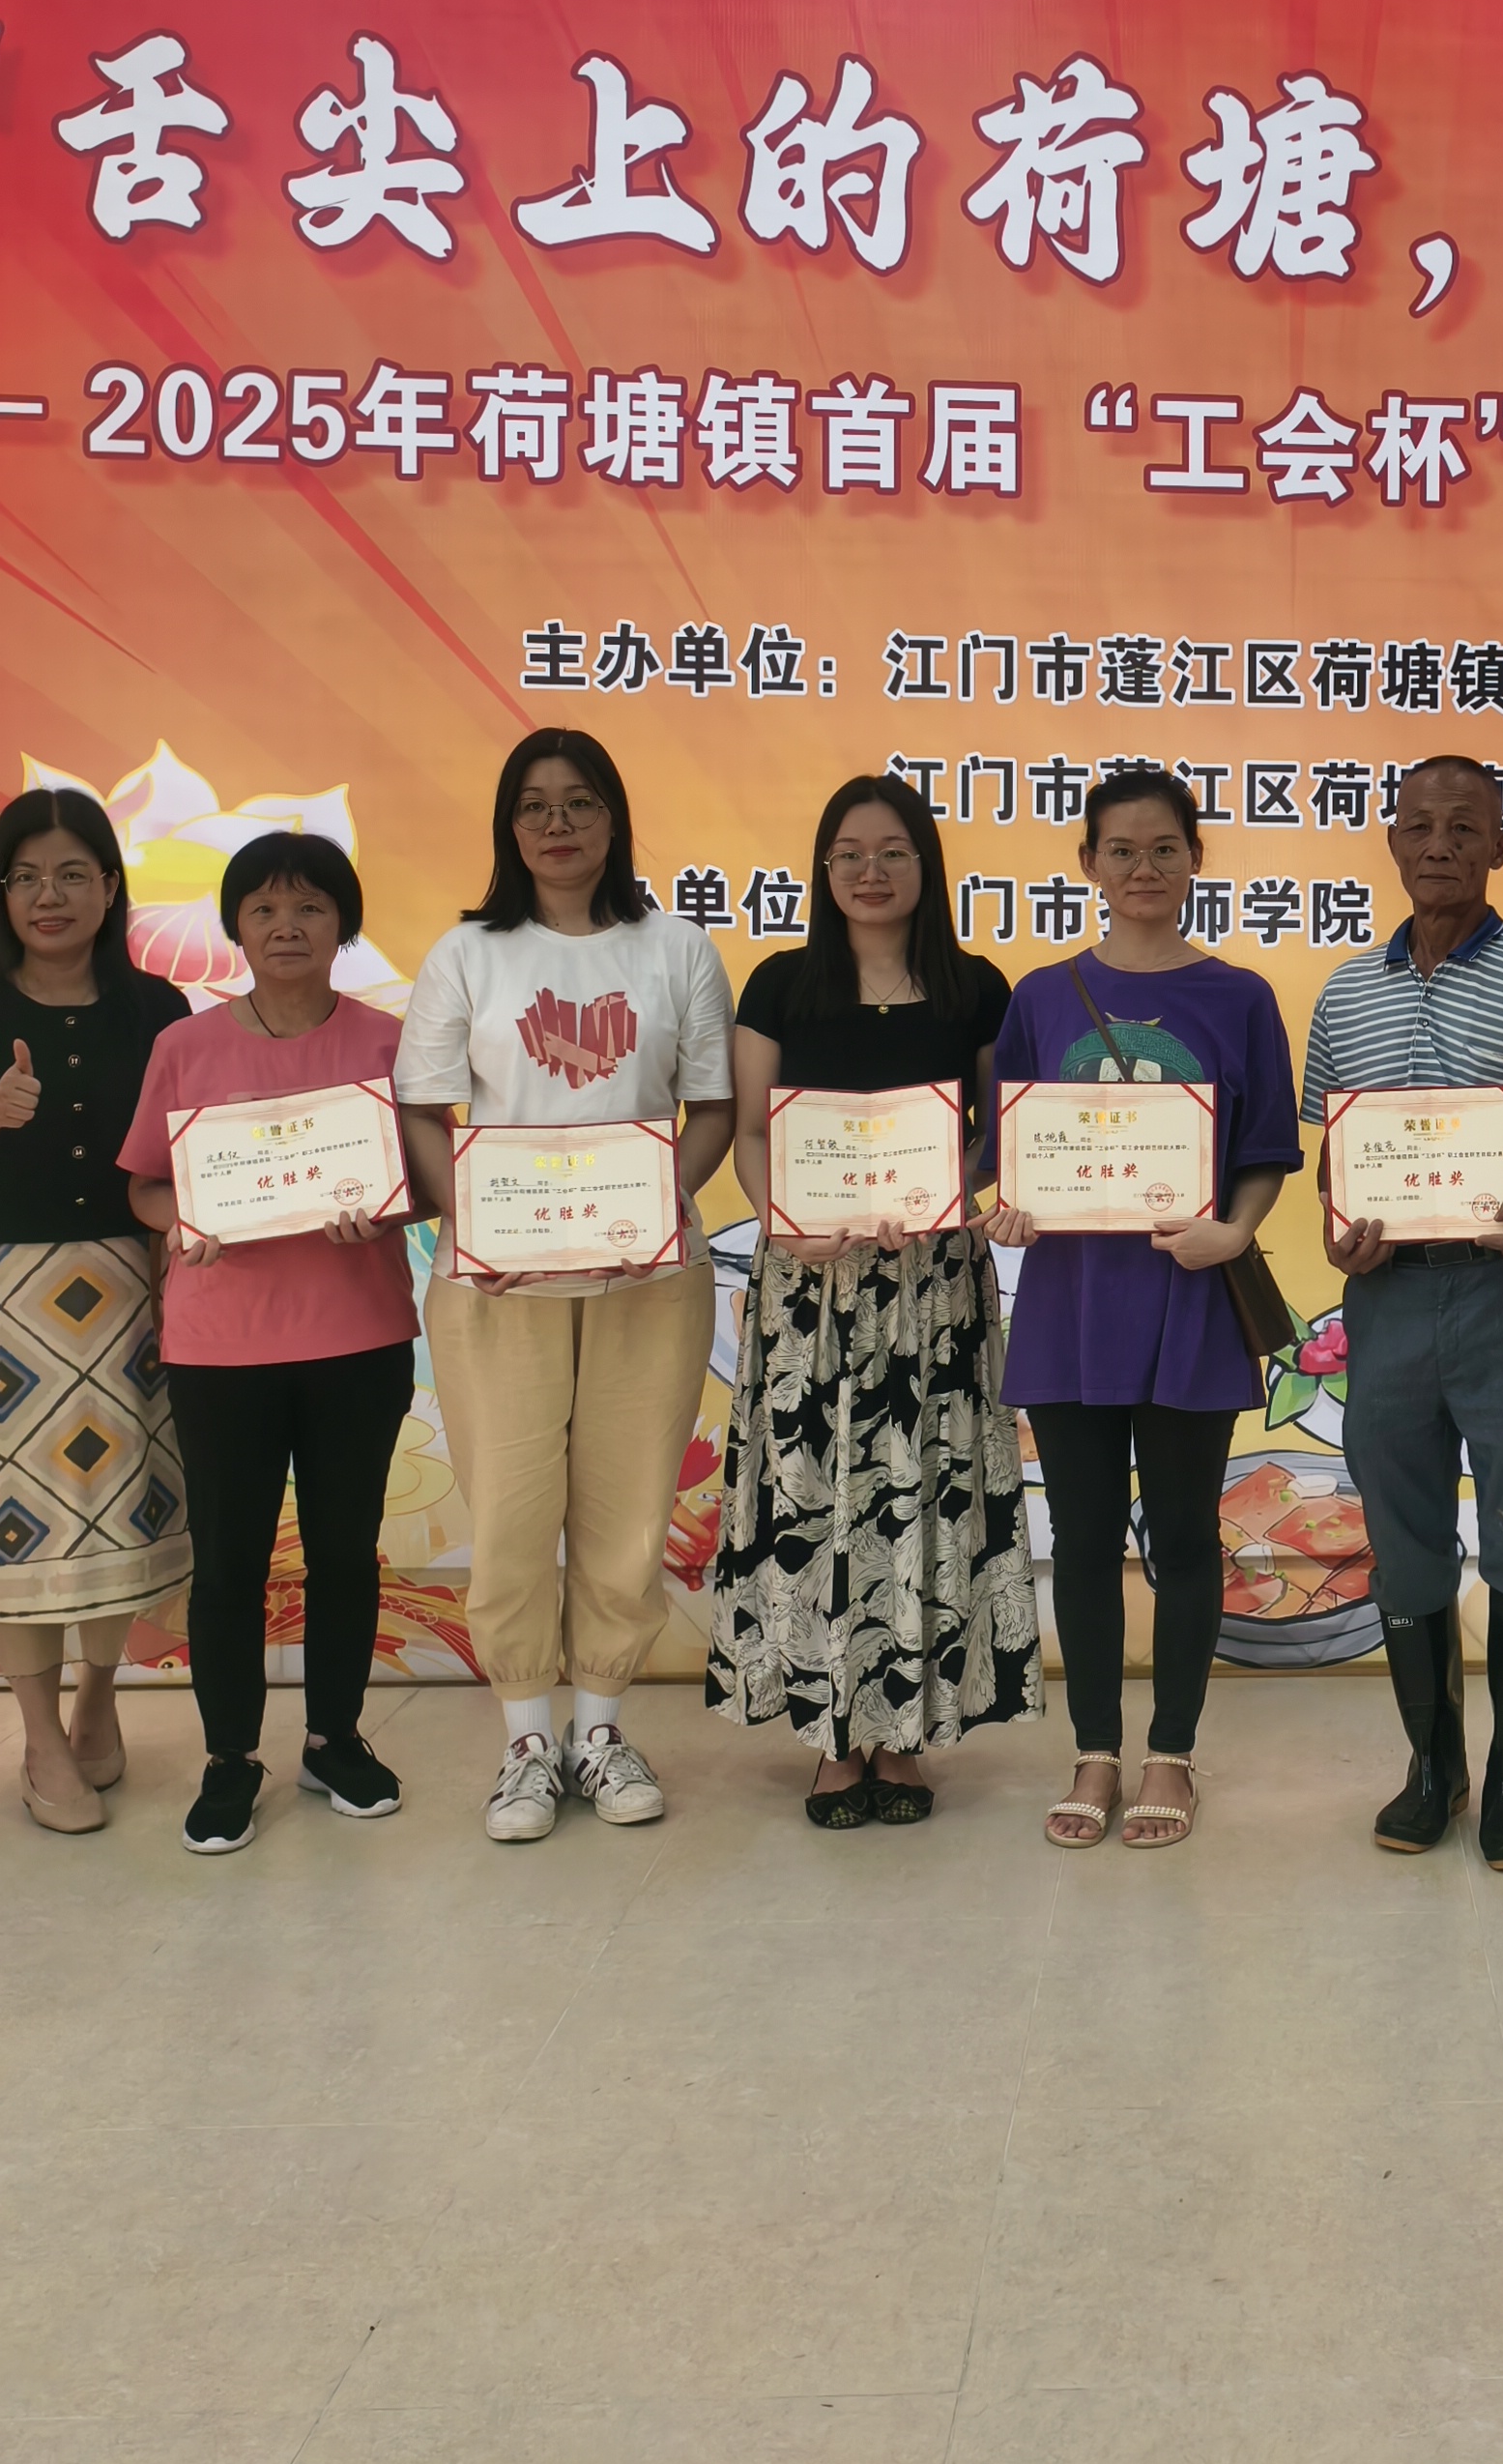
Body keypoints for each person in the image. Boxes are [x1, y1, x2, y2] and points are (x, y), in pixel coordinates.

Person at [396, 731, 734, 1844]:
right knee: (510, 1511)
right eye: (534, 805)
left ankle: (600, 1729)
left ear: (613, 819)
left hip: (650, 1277)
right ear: (508, 825)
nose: (557, 824)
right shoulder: (467, 954)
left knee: (629, 1510)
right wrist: (475, 1219)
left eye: (580, 803)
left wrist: (656, 1206)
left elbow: (713, 1107)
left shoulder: (676, 948)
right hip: (499, 1285)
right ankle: (525, 1744)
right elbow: (422, 1108)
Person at [1304, 756, 1503, 1870]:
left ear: (1500, 845)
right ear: (1391, 839)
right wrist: (1337, 1226)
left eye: (1464, 827)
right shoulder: (1345, 992)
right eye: (1420, 825)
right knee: (1404, 1537)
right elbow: (1339, 1145)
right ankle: (1434, 1768)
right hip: (1388, 1297)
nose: (1440, 844)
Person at [989, 768, 1298, 1851]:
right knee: (1079, 1538)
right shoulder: (1040, 997)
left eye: (1165, 848)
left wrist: (1236, 1231)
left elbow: (1265, 1150)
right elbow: (1012, 1148)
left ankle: (1171, 1752)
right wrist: (1010, 1209)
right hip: (1071, 1301)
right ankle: (1094, 1751)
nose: (1143, 868)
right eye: (1120, 850)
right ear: (1088, 865)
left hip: (1188, 1299)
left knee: (1183, 1536)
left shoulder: (1240, 997)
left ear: (1195, 859)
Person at [714, 773, 1030, 1828]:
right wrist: (784, 1221)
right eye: (848, 853)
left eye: (893, 851)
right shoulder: (780, 985)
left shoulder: (974, 987)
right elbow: (751, 1130)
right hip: (811, 1287)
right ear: (823, 869)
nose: (870, 871)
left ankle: (906, 1737)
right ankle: (833, 1738)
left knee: (924, 1494)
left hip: (934, 1287)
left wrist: (949, 1193)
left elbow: (994, 1130)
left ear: (925, 866)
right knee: (817, 1501)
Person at [0, 787, 197, 1833]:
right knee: (16, 1517)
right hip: (3, 1295)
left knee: (126, 1501)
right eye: (24, 877)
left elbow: (184, 1153)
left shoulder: (158, 1011)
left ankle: (98, 1700)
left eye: (72, 873)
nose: (48, 895)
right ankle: (38, 1739)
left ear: (110, 887)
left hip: (130, 1285)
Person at [119, 833, 417, 1854]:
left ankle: (335, 1739)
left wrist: (383, 1211)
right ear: (236, 928)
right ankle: (229, 1758)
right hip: (219, 1348)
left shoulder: (388, 1043)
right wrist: (184, 1216)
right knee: (229, 1563)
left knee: (343, 1552)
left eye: (310, 908)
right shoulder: (186, 1046)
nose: (287, 927)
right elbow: (145, 1184)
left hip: (359, 1338)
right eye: (264, 910)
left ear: (344, 925)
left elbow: (425, 1182)